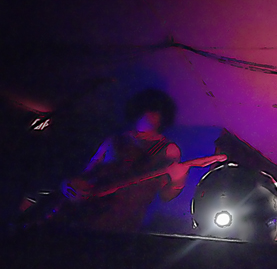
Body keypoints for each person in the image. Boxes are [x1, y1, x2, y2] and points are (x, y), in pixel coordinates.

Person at [60, 88, 214, 232]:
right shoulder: (114, 140)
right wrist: (69, 185)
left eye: (157, 113)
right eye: (149, 111)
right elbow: (88, 173)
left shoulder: (168, 149)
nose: (152, 116)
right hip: (91, 212)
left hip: (127, 221)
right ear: (138, 111)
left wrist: (178, 180)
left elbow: (166, 195)